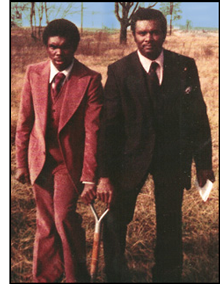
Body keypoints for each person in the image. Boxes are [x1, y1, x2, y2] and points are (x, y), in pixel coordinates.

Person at [96, 8, 215, 283]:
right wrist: (104, 175)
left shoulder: (185, 66)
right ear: (134, 34)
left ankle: (168, 275)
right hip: (129, 158)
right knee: (115, 222)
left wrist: (204, 164)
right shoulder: (118, 70)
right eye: (142, 33)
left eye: (154, 32)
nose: (148, 38)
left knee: (170, 224)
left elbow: (198, 116)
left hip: (171, 159)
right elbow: (109, 128)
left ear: (164, 32)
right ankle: (116, 274)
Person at [15, 19, 103, 283]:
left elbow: (93, 132)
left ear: (74, 47)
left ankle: (76, 277)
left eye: (65, 47)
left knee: (64, 217)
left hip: (69, 163)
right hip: (39, 161)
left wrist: (89, 177)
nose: (58, 53)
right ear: (45, 46)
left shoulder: (90, 80)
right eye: (53, 46)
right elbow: (24, 122)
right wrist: (20, 163)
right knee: (45, 223)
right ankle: (45, 277)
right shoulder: (33, 73)